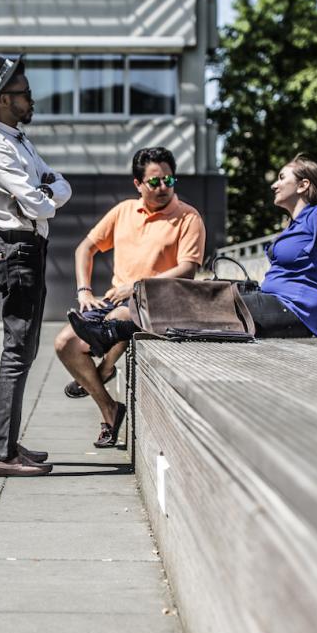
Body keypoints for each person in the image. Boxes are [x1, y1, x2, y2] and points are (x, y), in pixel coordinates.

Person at [69, 154, 317, 350]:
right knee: (205, 291)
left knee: (206, 301)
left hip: (289, 311)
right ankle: (111, 329)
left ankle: (113, 330)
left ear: (303, 185)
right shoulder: (295, 225)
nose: (274, 184)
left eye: (282, 178)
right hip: (273, 303)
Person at [55, 147, 205, 448]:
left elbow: (188, 269)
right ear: (138, 184)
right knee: (65, 344)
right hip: (117, 297)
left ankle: (105, 367)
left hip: (160, 302)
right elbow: (85, 248)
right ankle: (109, 407)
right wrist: (84, 291)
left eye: (169, 180)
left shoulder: (188, 217)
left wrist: (136, 286)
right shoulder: (124, 211)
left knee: (122, 315)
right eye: (154, 182)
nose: (163, 187)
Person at [0, 53, 73, 477]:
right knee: (18, 351)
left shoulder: (19, 142)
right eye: (24, 93)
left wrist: (46, 194)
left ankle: (6, 443)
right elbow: (38, 203)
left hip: (29, 248)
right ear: (1, 100)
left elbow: (59, 186)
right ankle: (2, 453)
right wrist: (44, 195)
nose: (31, 98)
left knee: (25, 349)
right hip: (17, 250)